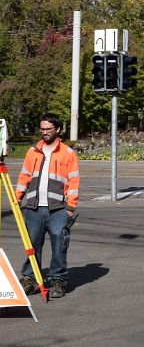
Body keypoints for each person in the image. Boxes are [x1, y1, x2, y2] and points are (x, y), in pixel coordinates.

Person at [15, 113, 80, 299]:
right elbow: (24, 177)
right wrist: (17, 198)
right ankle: (30, 279)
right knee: (32, 246)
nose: (44, 132)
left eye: (48, 129)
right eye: (42, 129)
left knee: (59, 246)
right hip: (33, 208)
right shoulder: (33, 151)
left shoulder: (68, 153)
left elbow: (73, 181)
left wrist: (70, 208)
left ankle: (58, 280)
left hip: (58, 209)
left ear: (57, 130)